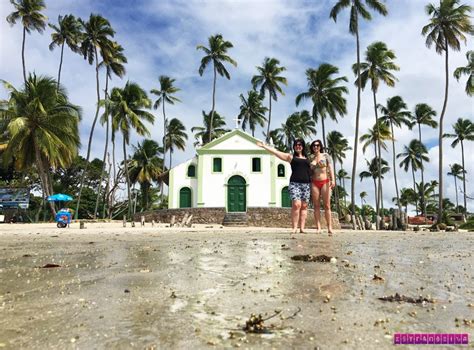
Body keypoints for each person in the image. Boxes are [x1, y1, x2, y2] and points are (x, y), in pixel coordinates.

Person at [257, 139, 311, 234]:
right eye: (296, 145)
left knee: (304, 206)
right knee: (296, 205)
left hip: (306, 184)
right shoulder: (291, 157)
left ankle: (302, 228)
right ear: (294, 147)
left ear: (303, 146)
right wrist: (264, 146)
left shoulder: (308, 159)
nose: (298, 146)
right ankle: (294, 227)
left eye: (300, 145)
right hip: (295, 183)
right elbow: (276, 152)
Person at [309, 140, 336, 235]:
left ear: (320, 146)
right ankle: (318, 227)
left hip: (325, 182)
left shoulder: (326, 156)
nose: (315, 147)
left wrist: (333, 180)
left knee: (327, 205)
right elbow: (309, 171)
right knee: (316, 206)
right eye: (314, 146)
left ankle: (330, 227)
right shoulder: (310, 157)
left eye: (317, 145)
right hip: (314, 182)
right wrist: (312, 165)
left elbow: (330, 168)